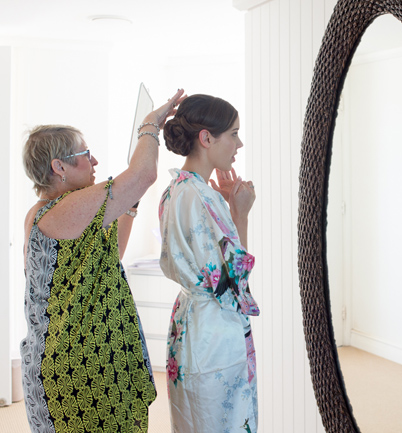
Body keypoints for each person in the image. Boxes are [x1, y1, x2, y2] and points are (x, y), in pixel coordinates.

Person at [20, 89, 186, 432]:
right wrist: (150, 125)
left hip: (93, 360)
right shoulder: (59, 211)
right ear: (59, 167)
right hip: (78, 371)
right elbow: (143, 174)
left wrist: (130, 201)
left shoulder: (64, 212)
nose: (94, 161)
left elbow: (113, 253)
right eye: (85, 154)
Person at [158, 94, 258, 433]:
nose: (239, 144)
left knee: (193, 419)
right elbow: (233, 283)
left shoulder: (175, 189)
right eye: (233, 134)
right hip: (213, 332)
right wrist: (239, 215)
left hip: (191, 324)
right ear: (206, 138)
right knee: (219, 422)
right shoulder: (203, 197)